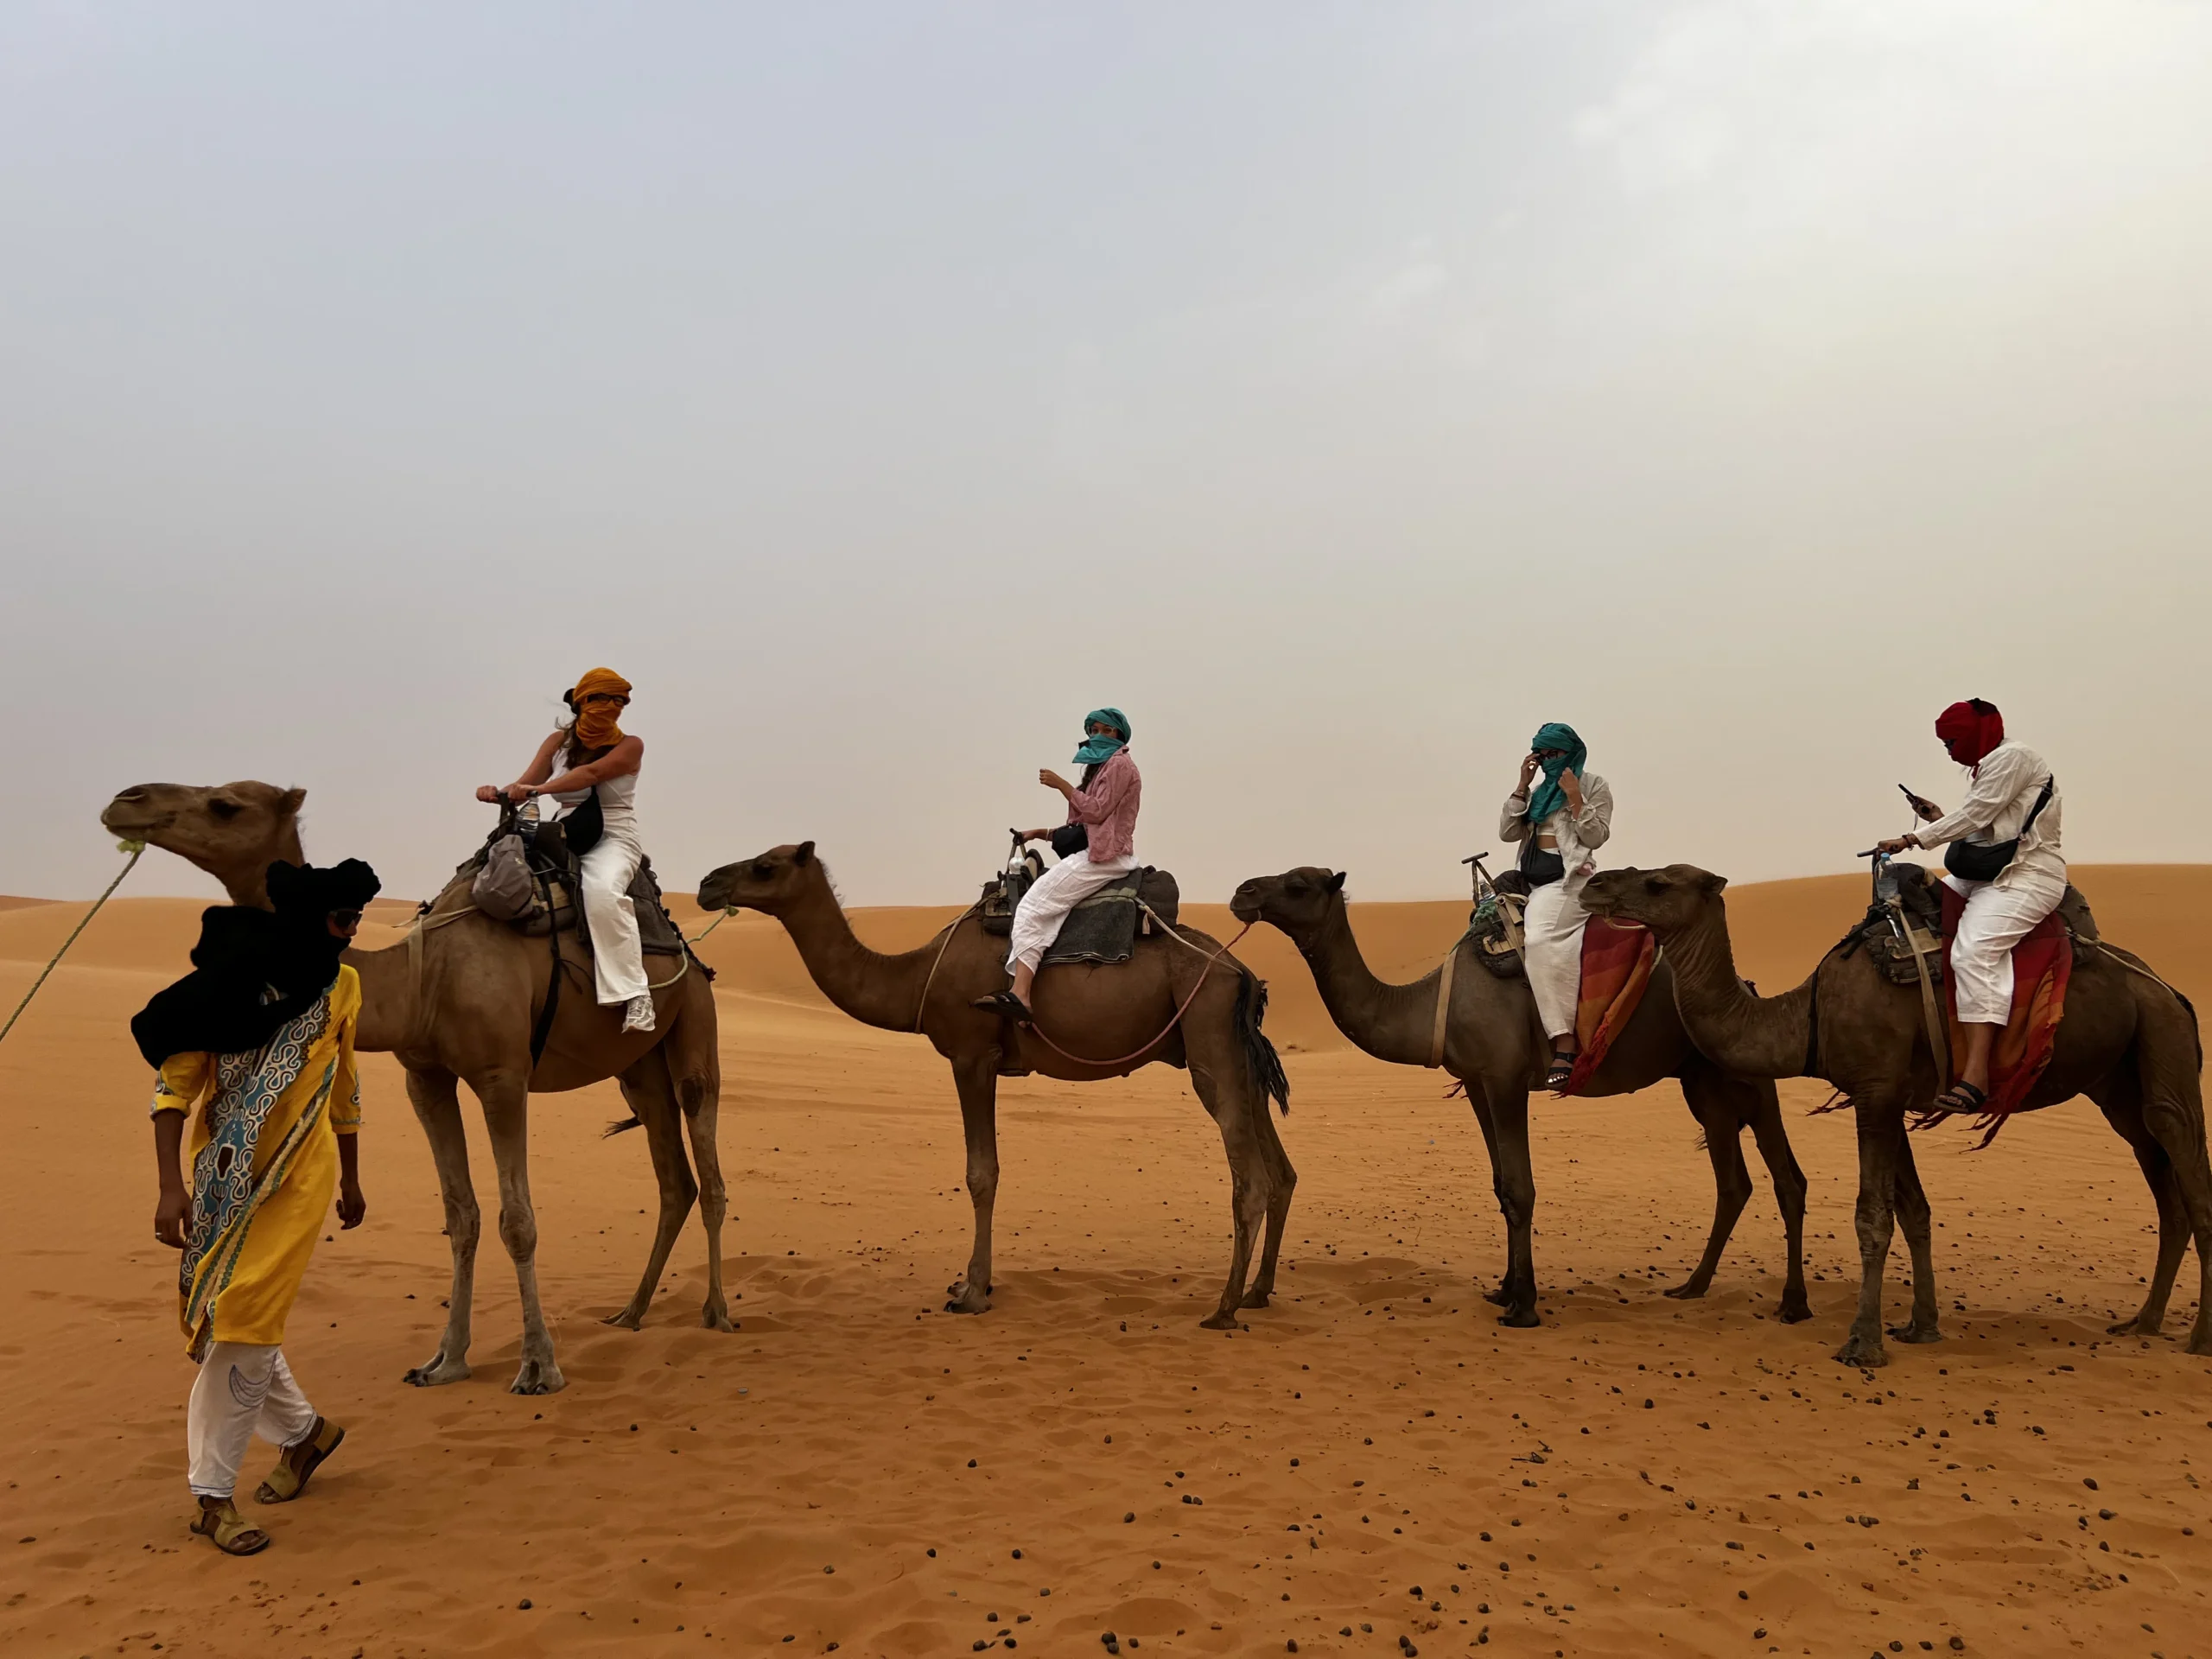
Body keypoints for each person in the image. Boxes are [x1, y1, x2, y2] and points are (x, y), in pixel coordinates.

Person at [135, 858, 378, 1557]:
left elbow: (345, 1082)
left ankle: (212, 1498)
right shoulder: (231, 983)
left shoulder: (345, 984)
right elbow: (174, 1085)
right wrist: (167, 1186)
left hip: (300, 1179)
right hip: (218, 1179)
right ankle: (306, 1437)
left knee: (245, 1321)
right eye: (342, 919)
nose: (351, 931)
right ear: (312, 919)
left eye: (358, 919)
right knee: (226, 1321)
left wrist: (352, 1177)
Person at [1876, 697, 2064, 1113]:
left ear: (1974, 735)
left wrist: (1911, 840)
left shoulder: (2012, 758)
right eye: (1944, 744)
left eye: (1952, 742)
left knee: (1973, 951)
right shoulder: (1990, 765)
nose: (1948, 751)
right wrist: (1936, 818)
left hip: (2026, 875)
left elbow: (1977, 814)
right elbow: (1987, 829)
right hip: (1986, 875)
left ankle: (1976, 1074)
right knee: (1911, 906)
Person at [476, 667, 655, 1033]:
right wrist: (498, 792)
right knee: (494, 875)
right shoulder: (558, 742)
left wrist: (538, 791)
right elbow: (527, 782)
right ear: (581, 702)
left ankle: (637, 995)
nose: (612, 706)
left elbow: (589, 776)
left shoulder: (630, 745)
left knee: (601, 893)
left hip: (613, 832)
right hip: (564, 829)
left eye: (619, 700)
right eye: (601, 698)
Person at [978, 708, 1141, 1022]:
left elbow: (1095, 812)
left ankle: (1021, 994)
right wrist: (1040, 833)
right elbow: (1083, 826)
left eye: (1106, 730)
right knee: (1050, 907)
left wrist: (1061, 785)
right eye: (1093, 729)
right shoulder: (1104, 767)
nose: (1098, 735)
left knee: (1029, 907)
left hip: (1107, 858)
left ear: (1119, 735)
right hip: (1099, 852)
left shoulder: (1120, 764)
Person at [1498, 721, 1615, 1090]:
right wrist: (1521, 785)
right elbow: (1507, 833)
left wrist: (1576, 796)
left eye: (1554, 754)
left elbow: (1596, 836)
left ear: (1572, 752)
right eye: (1542, 755)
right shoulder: (1537, 792)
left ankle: (1564, 1042)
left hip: (1568, 882)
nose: (1548, 761)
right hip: (1529, 881)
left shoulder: (1594, 784)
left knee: (1539, 939)